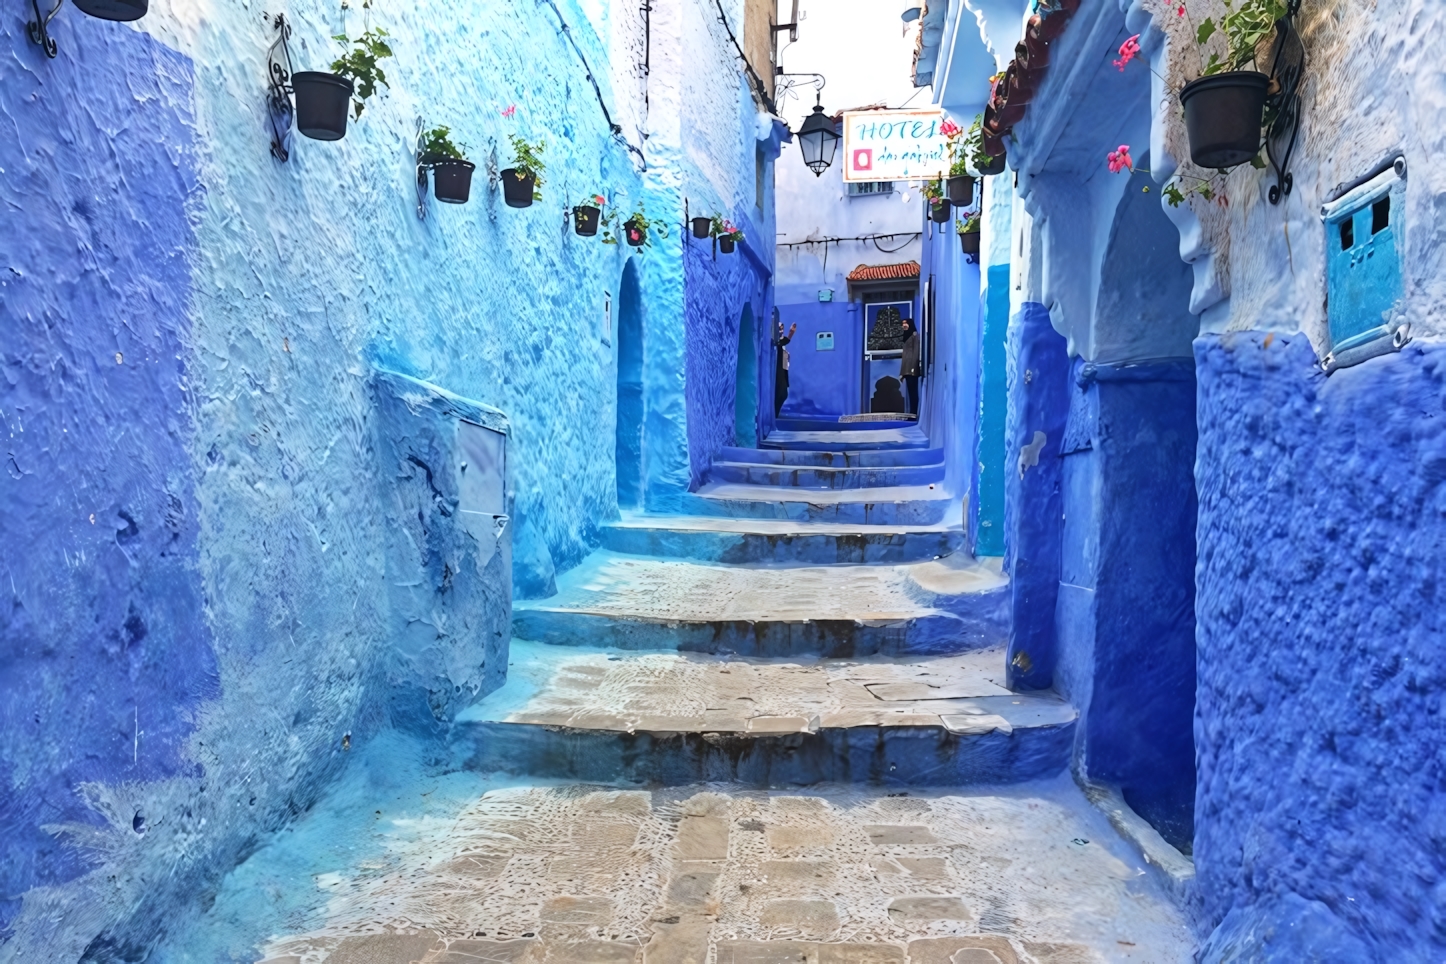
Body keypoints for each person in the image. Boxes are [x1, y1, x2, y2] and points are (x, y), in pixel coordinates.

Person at [772, 318, 797, 417]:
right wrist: (791, 334)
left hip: (782, 372)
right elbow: (783, 342)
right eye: (779, 328)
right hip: (777, 373)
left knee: (783, 394)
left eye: (782, 328)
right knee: (781, 394)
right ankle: (774, 414)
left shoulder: (780, 343)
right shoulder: (776, 342)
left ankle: (775, 414)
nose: (781, 331)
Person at [900, 318, 921, 416]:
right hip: (907, 370)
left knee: (913, 393)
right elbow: (905, 357)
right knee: (910, 392)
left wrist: (913, 368)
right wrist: (902, 373)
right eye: (903, 324)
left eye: (906, 323)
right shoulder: (906, 337)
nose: (904, 325)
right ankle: (912, 413)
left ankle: (914, 413)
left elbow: (916, 353)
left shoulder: (914, 336)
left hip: (912, 370)